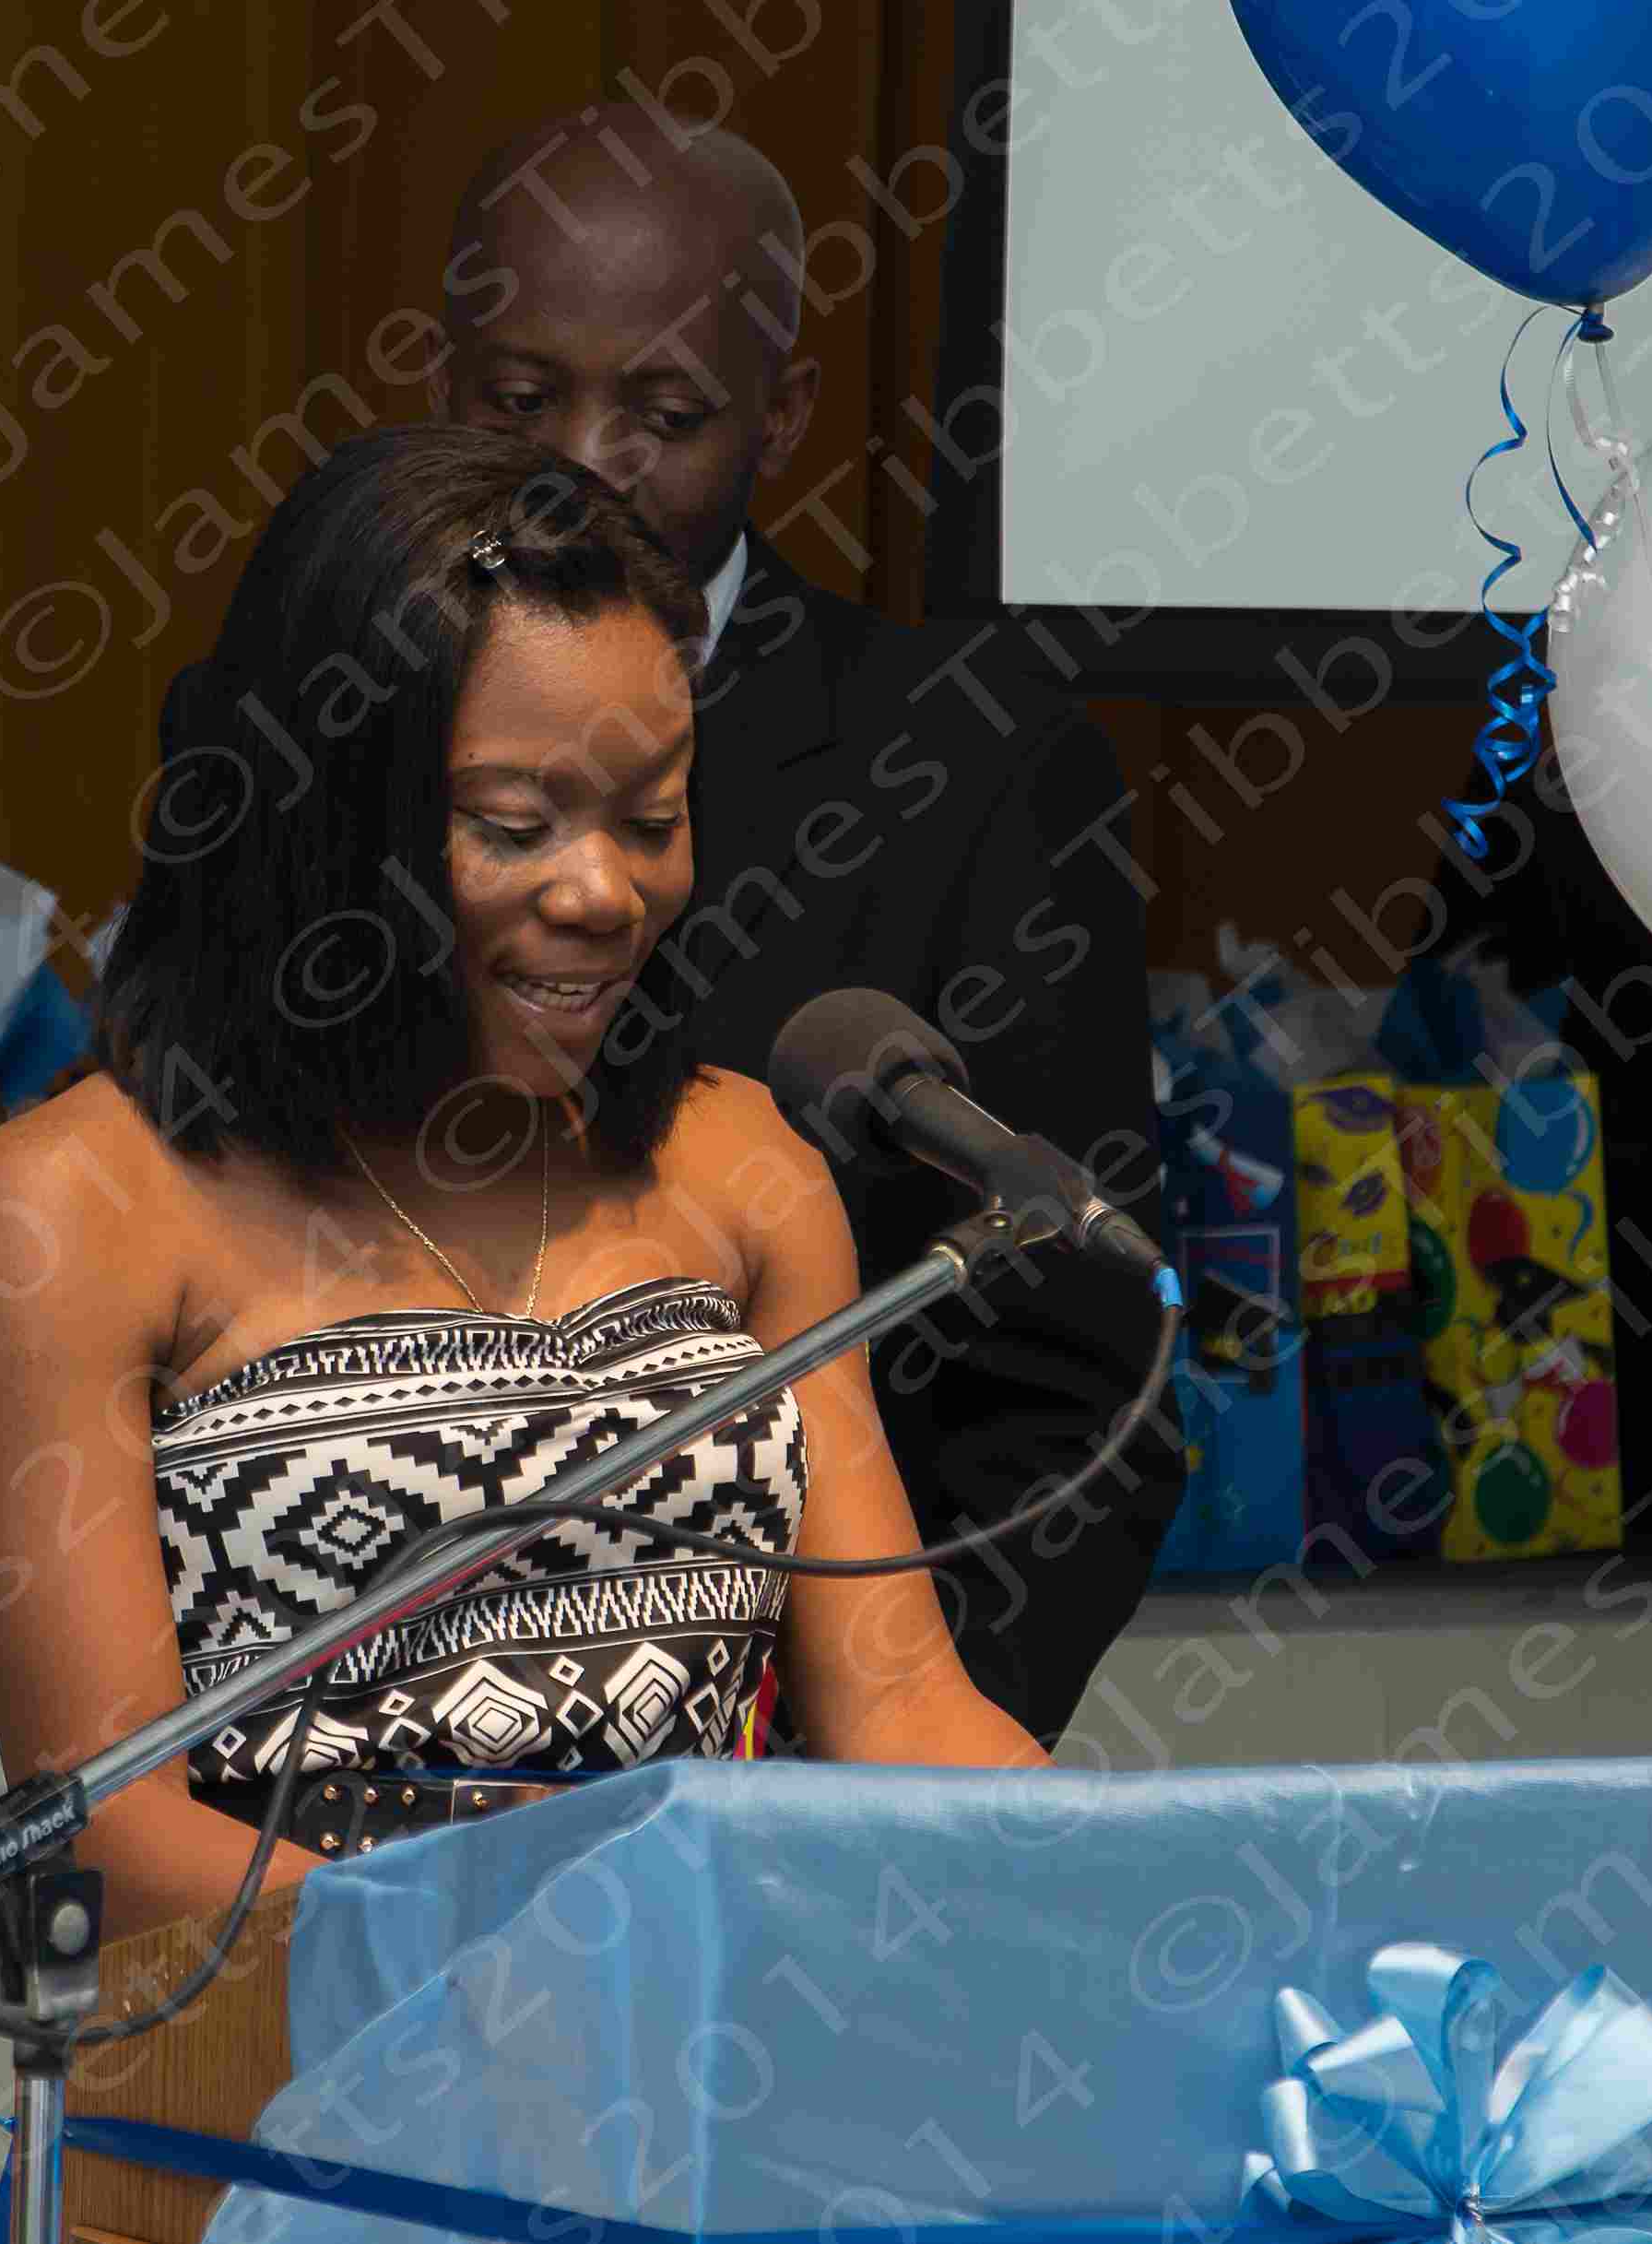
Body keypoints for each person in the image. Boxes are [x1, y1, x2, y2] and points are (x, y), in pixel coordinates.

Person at [0, 424, 1077, 1941]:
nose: (605, 893)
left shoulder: (742, 1159)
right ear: (324, 821)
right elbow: (111, 1831)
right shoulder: (75, 1201)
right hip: (298, 2049)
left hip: (698, 2030)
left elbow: (900, 1703)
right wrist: (522, 1973)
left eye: (652, 818)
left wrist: (1144, 1885)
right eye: (513, 826)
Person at [430, 104, 1181, 1745]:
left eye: (664, 414)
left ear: (780, 412)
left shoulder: (973, 758)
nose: (580, 463)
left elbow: (1070, 1388)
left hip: (815, 1765)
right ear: (440, 380)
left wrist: (862, 1780)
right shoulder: (305, 729)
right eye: (519, 399)